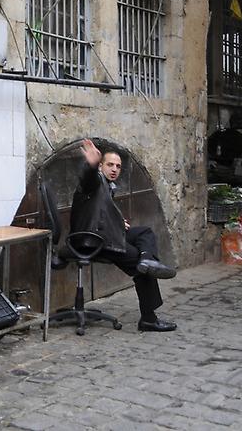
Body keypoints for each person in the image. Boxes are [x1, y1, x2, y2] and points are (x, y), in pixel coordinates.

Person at [71, 139, 177, 332]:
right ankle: (149, 319)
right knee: (141, 267)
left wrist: (118, 222)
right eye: (110, 164)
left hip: (102, 235)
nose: (114, 169)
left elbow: (98, 211)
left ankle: (148, 259)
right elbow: (87, 179)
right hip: (93, 240)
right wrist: (91, 164)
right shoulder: (94, 182)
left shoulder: (107, 186)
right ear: (101, 166)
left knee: (144, 233)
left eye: (118, 166)